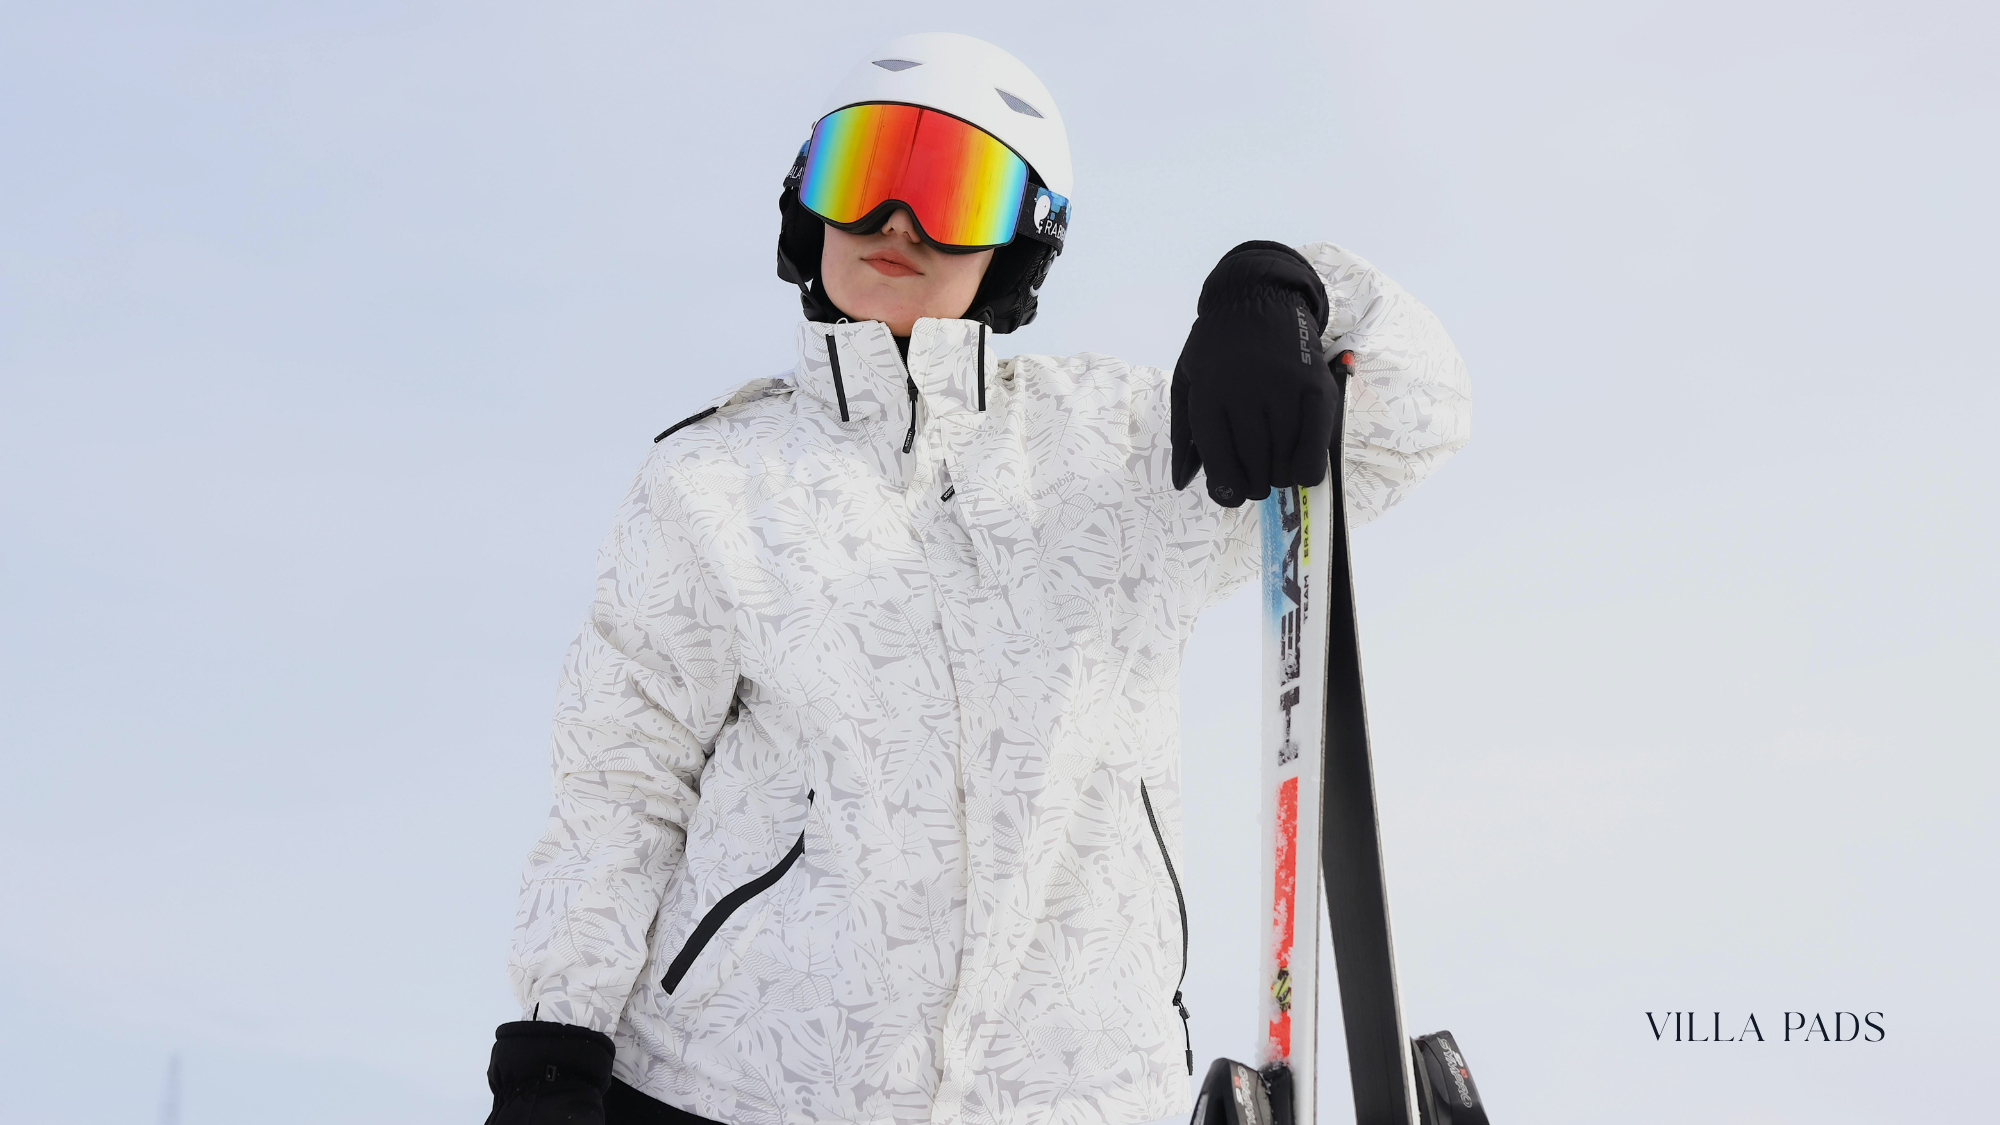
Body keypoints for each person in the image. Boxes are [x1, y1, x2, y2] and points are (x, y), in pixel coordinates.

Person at [485, 31, 1470, 1125]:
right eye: (862, 177)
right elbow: (618, 786)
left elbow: (1407, 426)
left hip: (1071, 1088)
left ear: (1019, 241)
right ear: (804, 207)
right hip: (737, 1083)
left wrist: (1284, 290)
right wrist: (551, 1051)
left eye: (952, 191)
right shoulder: (708, 480)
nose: (897, 224)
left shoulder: (1126, 447)